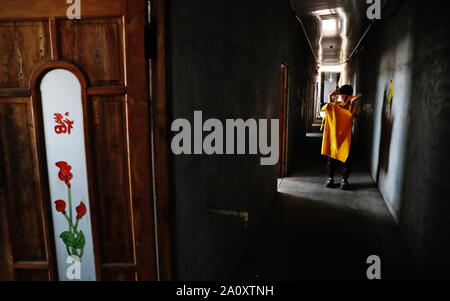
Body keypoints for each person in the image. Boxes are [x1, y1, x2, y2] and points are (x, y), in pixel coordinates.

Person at [321, 85, 362, 190]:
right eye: (342, 96)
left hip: (346, 136)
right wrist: (330, 96)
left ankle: (344, 180)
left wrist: (352, 103)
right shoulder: (336, 104)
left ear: (350, 96)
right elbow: (329, 109)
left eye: (346, 96)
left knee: (347, 159)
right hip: (334, 136)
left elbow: (350, 116)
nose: (344, 98)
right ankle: (330, 178)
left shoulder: (353, 105)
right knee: (331, 157)